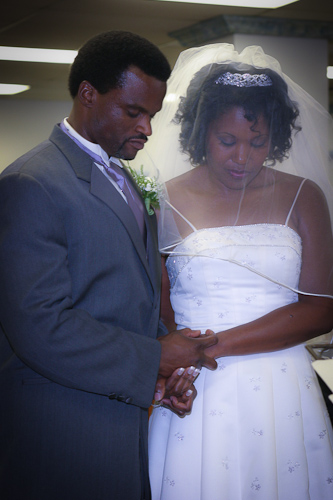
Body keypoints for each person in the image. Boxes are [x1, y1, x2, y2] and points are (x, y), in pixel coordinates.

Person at [0, 31, 218, 500]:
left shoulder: (125, 177)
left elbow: (126, 297)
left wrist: (158, 379)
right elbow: (40, 326)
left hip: (123, 420)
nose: (147, 129)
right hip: (63, 429)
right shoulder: (31, 183)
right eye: (134, 112)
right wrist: (156, 358)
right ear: (88, 95)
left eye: (152, 116)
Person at [133, 43, 333, 499]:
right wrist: (172, 366)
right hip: (197, 388)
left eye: (258, 142)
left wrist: (212, 346)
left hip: (280, 387)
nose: (243, 156)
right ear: (202, 133)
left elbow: (322, 308)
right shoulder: (160, 200)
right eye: (228, 141)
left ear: (276, 137)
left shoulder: (305, 196)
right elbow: (158, 305)